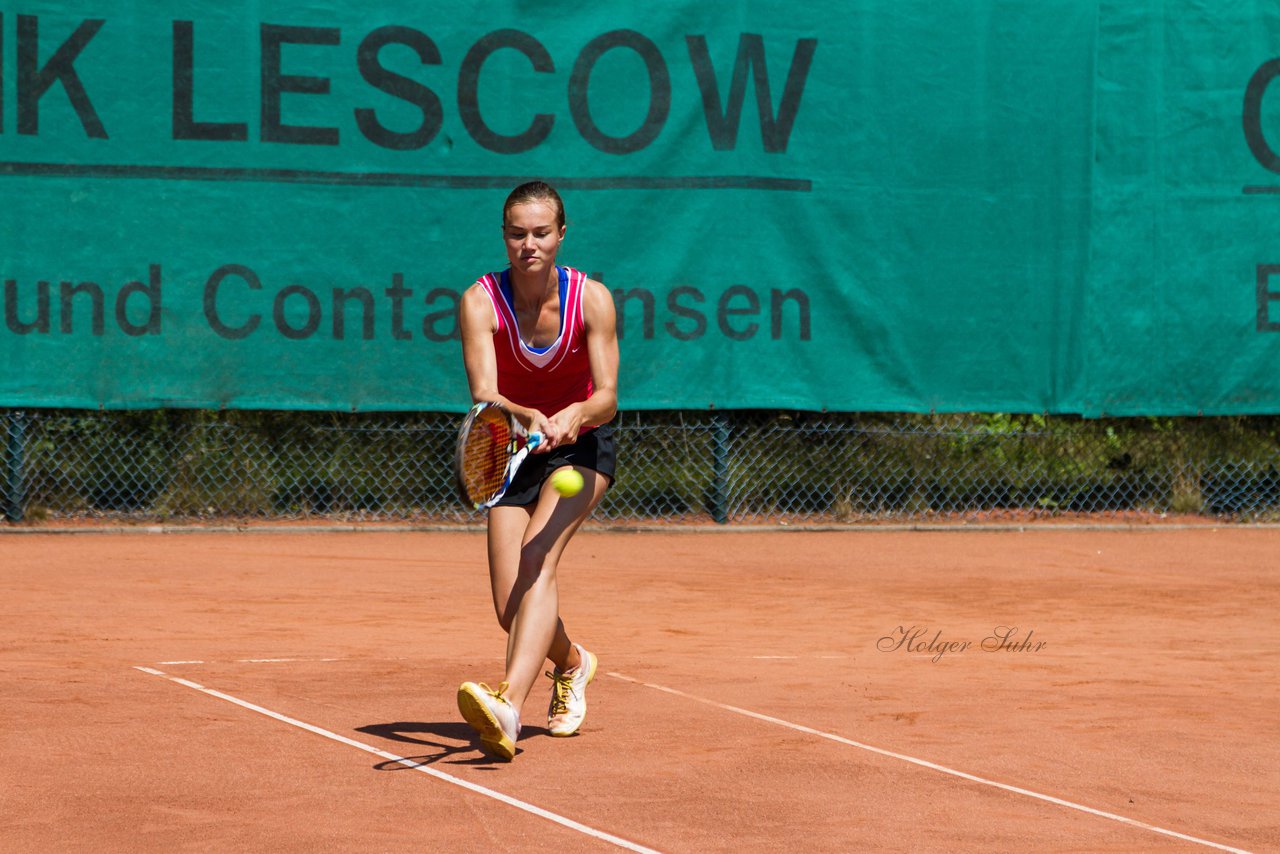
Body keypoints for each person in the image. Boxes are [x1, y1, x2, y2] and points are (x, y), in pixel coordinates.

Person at [455, 181, 619, 761]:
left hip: (580, 450)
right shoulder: (480, 301)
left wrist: (576, 412)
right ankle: (573, 664)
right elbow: (484, 394)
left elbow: (609, 397)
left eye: (541, 233)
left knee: (536, 558)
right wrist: (528, 416)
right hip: (511, 450)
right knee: (510, 607)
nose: (530, 245)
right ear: (504, 237)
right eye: (518, 234)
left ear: (561, 234)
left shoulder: (592, 298)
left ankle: (509, 705)